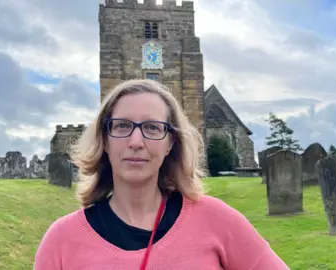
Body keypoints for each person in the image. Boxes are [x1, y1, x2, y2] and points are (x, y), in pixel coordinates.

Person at [34, 79, 289, 270]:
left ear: (170, 143)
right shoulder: (61, 240)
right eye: (122, 126)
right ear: (104, 139)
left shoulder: (217, 220)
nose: (136, 141)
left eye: (152, 128)